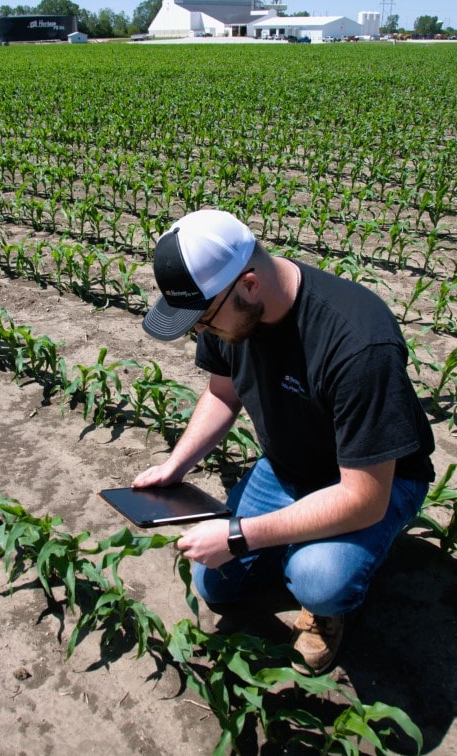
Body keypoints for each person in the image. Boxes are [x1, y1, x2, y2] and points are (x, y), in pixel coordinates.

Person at [134, 209, 435, 674]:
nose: (199, 331)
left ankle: (326, 600)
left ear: (250, 284)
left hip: (373, 482)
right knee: (215, 585)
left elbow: (364, 497)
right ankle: (296, 541)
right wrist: (177, 464)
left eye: (204, 320)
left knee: (318, 580)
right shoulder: (229, 310)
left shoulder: (357, 342)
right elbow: (222, 392)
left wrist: (240, 534)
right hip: (287, 466)